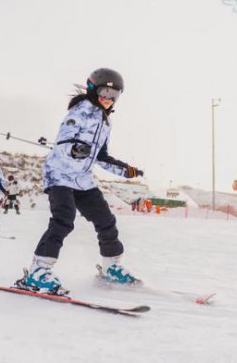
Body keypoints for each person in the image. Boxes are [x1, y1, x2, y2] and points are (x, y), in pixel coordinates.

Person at [20, 68, 144, 295]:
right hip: (60, 173)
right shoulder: (80, 111)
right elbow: (63, 141)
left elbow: (101, 156)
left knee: (106, 221)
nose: (108, 98)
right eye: (105, 92)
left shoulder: (106, 123)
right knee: (63, 220)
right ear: (92, 89)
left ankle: (111, 267)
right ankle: (38, 271)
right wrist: (75, 148)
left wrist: (125, 170)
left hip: (82, 179)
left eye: (114, 95)